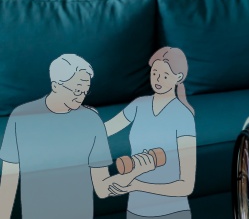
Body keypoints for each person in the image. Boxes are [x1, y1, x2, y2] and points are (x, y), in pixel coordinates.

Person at [0, 54, 154, 219]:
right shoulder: (22, 117)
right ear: (56, 85)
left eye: (84, 91)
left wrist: (136, 172)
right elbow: (9, 178)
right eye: (75, 90)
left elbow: (102, 188)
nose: (80, 96)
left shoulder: (91, 120)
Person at [105, 47, 196, 219]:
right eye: (155, 73)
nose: (158, 79)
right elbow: (107, 129)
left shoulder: (183, 116)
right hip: (136, 210)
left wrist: (137, 185)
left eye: (164, 75)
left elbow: (186, 185)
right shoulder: (139, 105)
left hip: (172, 211)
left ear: (178, 77)